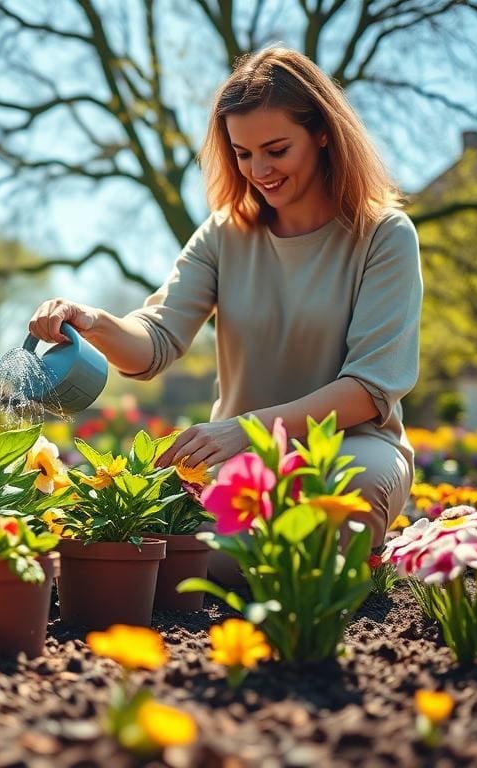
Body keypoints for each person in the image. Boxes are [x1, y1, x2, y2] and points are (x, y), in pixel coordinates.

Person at [28, 46, 422, 567]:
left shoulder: (384, 235)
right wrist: (95, 322)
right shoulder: (224, 233)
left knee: (352, 491)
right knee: (150, 526)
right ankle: (293, 563)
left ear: (323, 132)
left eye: (276, 150)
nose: (259, 169)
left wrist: (248, 428)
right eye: (242, 153)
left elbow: (371, 387)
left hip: (348, 450)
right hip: (235, 459)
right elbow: (155, 343)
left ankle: (258, 560)